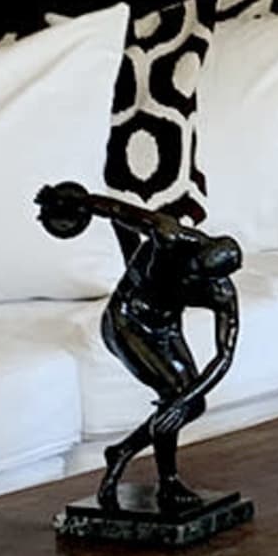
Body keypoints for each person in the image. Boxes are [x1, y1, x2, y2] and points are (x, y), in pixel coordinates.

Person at [38, 181, 244, 525]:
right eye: (193, 267)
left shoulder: (220, 293)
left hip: (166, 329)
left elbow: (224, 356)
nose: (193, 277)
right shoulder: (169, 235)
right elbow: (117, 211)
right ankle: (168, 482)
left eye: (203, 278)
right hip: (127, 320)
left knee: (190, 404)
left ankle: (121, 452)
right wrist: (73, 202)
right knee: (174, 396)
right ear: (198, 249)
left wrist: (182, 403)